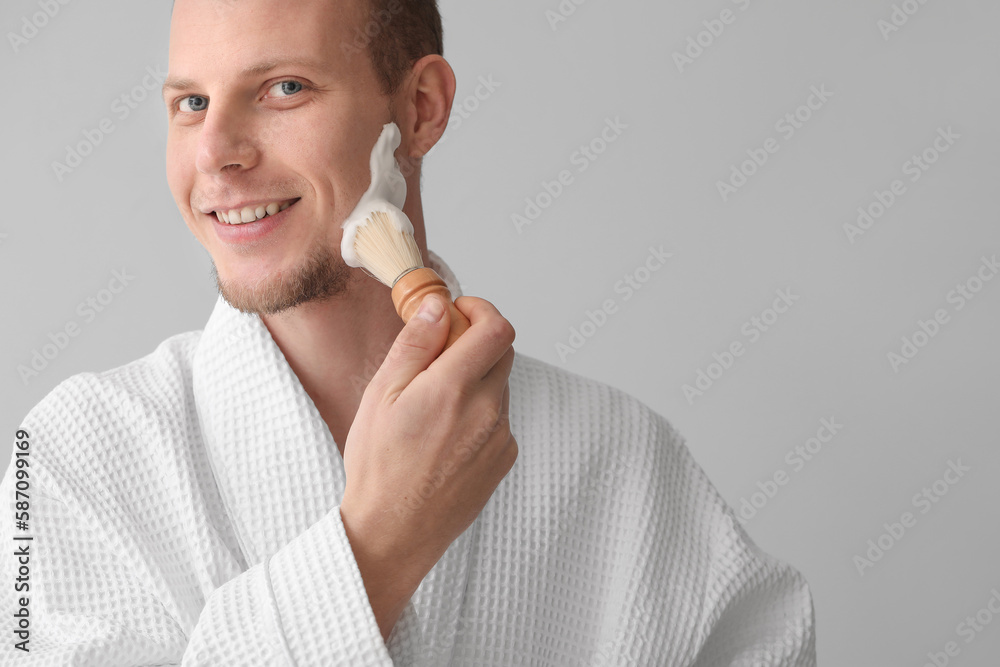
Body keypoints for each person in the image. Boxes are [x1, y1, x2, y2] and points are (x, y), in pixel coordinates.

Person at [1, 0, 816, 664]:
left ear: (420, 109)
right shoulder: (68, 458)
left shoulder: (627, 464)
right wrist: (375, 549)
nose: (215, 154)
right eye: (191, 103)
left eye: (284, 88)